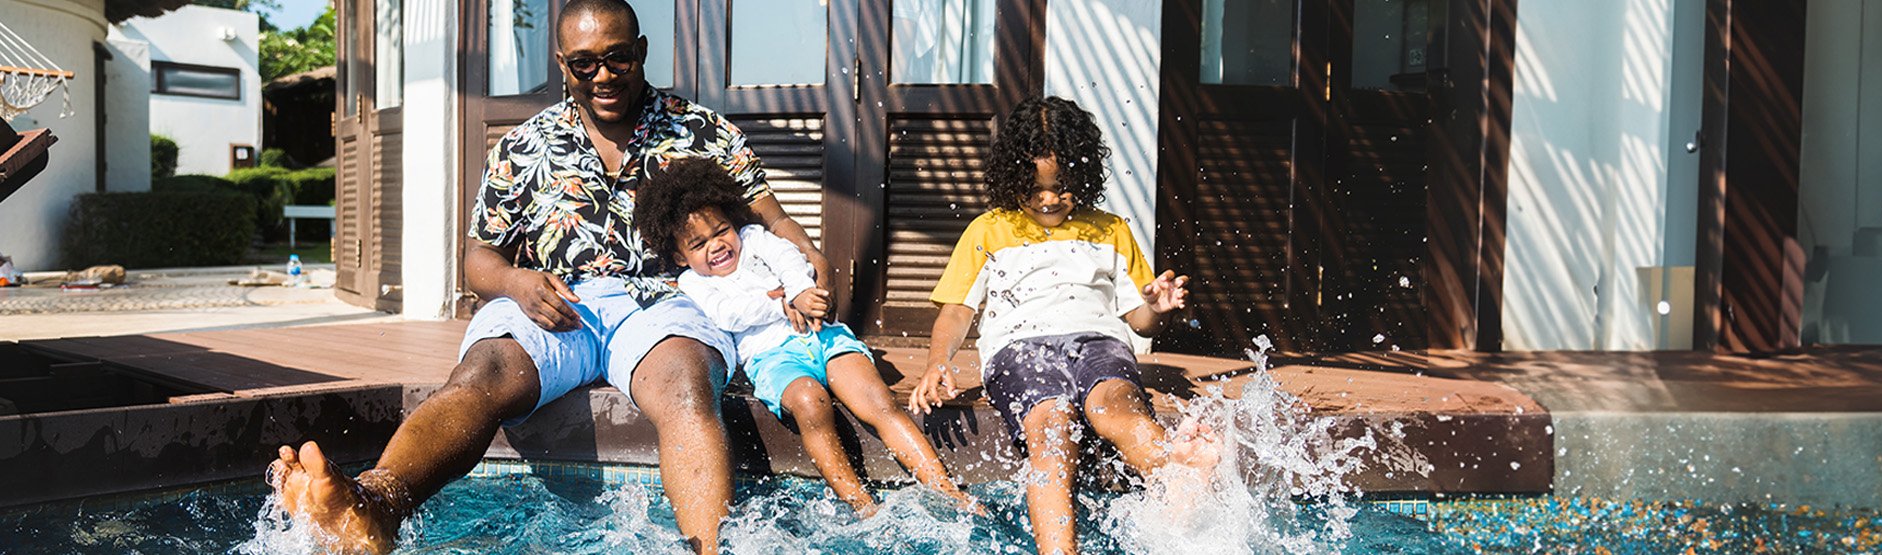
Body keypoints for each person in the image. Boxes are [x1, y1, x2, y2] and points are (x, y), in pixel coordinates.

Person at [265, 1, 827, 553]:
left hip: (664, 304)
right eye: (584, 64)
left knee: (686, 384)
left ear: (642, 52)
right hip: (555, 304)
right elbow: (478, 257)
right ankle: (375, 509)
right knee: (482, 371)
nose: (602, 76)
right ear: (563, 64)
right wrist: (515, 283)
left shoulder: (703, 132)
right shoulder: (522, 147)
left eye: (618, 58)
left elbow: (772, 219)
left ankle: (707, 549)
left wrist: (809, 264)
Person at [907, 96, 1218, 555]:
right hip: (1019, 350)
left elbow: (1139, 322)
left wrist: (1157, 307)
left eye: (1062, 184)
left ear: (1084, 176)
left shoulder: (1109, 230)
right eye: (1033, 186)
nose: (1049, 198)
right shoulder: (988, 230)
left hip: (1098, 343)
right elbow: (956, 312)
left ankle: (1177, 467)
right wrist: (938, 363)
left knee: (1117, 407)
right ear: (1011, 178)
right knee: (1051, 427)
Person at [634, 157, 981, 517]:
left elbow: (789, 258)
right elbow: (727, 314)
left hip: (823, 338)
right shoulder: (693, 282)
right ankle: (863, 505)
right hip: (772, 358)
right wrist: (782, 304)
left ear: (733, 222)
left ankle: (947, 490)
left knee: (877, 400)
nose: (716, 245)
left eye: (721, 231)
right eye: (699, 243)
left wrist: (800, 289)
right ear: (679, 255)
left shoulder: (754, 238)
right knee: (808, 401)